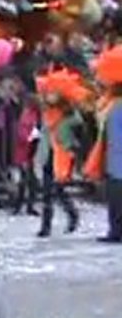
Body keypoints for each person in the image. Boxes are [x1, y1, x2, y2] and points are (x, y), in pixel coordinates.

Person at [34, 69, 86, 238]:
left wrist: (72, 146)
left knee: (58, 190)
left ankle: (72, 214)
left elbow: (79, 131)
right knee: (47, 191)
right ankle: (45, 226)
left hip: (62, 156)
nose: (49, 96)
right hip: (47, 153)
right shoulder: (45, 113)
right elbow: (41, 131)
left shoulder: (71, 116)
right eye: (48, 93)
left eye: (53, 94)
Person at [84, 45, 122, 242]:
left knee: (116, 199)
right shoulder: (110, 103)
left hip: (116, 161)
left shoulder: (114, 105)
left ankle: (116, 231)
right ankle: (116, 230)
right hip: (114, 159)